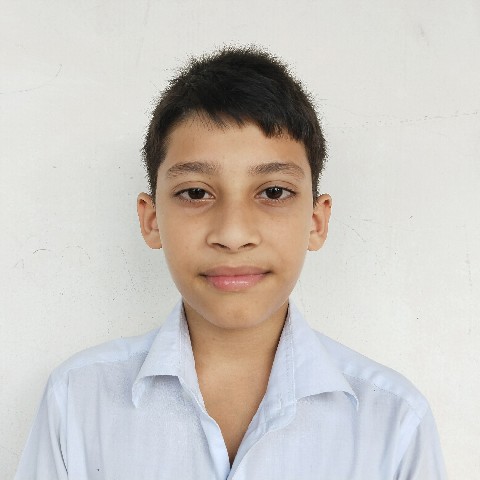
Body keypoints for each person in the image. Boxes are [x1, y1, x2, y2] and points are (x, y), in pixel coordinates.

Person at [15, 47, 447, 480]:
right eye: (196, 193)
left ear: (316, 222)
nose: (234, 234)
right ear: (151, 220)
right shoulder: (77, 403)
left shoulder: (394, 424)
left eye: (273, 192)